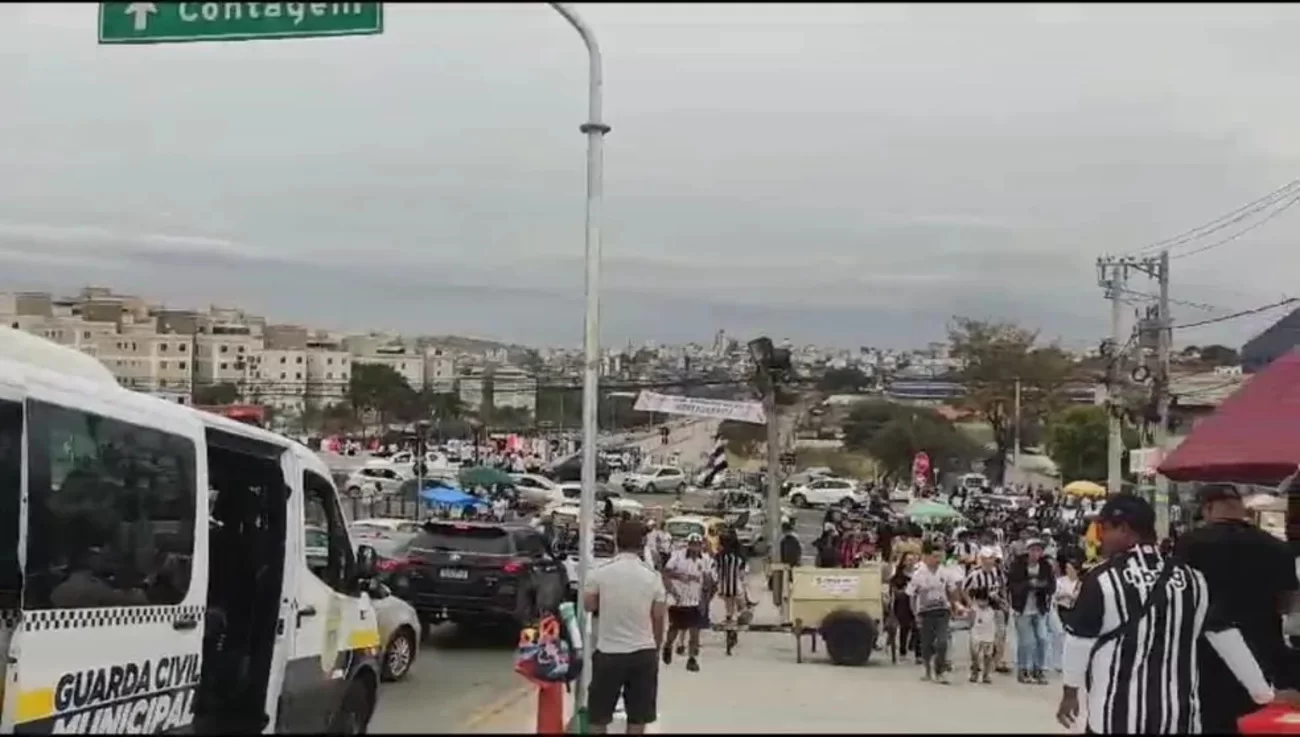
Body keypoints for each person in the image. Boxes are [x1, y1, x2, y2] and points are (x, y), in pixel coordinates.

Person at [1056, 494, 1300, 734]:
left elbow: (1079, 641)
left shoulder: (1102, 579)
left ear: (1124, 529)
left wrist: (1070, 692)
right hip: (1177, 717)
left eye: (1104, 530)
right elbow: (1226, 637)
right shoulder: (1192, 579)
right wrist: (1262, 691)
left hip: (1114, 716)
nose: (1101, 540)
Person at [1175, 483, 1300, 734]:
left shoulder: (1189, 544)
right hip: (1264, 655)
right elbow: (1288, 603)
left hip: (1206, 659)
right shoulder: (1275, 546)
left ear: (1208, 508)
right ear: (1240, 508)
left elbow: (1179, 597)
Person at [582, 520, 667, 736]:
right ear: (641, 545)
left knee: (598, 716)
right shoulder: (652, 576)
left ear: (616, 543)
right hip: (643, 653)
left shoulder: (600, 572)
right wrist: (656, 648)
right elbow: (658, 617)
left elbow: (588, 605)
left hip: (609, 652)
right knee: (638, 717)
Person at [906, 542, 961, 684]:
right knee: (927, 644)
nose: (937, 559)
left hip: (942, 610)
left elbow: (952, 590)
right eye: (934, 556)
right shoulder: (919, 574)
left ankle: (940, 670)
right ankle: (927, 670)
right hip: (925, 611)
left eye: (939, 556)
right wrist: (915, 614)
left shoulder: (945, 572)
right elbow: (912, 595)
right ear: (927, 557)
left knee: (942, 642)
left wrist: (956, 606)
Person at [662, 533, 712, 673]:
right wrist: (679, 577)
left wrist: (705, 600)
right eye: (692, 544)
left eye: (698, 545)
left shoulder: (705, 560)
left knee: (695, 631)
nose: (695, 548)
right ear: (688, 544)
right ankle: (668, 646)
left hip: (695, 600)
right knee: (675, 628)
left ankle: (692, 659)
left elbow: (707, 580)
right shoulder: (677, 556)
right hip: (679, 599)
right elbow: (666, 572)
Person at [1008, 537, 1055, 685]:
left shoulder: (1045, 566)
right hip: (1022, 608)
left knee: (1042, 639)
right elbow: (1012, 585)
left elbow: (1051, 586)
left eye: (1039, 550)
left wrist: (1041, 586)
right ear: (1028, 550)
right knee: (1027, 641)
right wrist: (1028, 584)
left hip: (1039, 608)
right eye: (1033, 549)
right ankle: (1023, 670)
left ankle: (1038, 669)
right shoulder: (1018, 565)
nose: (1036, 553)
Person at [963, 547, 1010, 676]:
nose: (991, 561)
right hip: (980, 607)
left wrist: (1004, 602)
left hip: (996, 606)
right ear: (982, 559)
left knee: (999, 634)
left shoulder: (998, 573)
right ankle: (976, 662)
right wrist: (971, 605)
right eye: (988, 558)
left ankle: (996, 662)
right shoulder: (975, 574)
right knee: (978, 637)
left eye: (992, 558)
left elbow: (1003, 587)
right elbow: (965, 590)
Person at [714, 529, 748, 655]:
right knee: (740, 609)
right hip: (736, 587)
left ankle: (730, 632)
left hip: (724, 588)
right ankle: (734, 631)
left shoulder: (719, 556)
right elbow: (743, 573)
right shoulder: (739, 556)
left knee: (729, 610)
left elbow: (715, 571)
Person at [1050, 558, 1081, 674]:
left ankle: (1069, 661)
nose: (1068, 570)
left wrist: (1071, 596)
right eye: (1067, 568)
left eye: (1071, 568)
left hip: (1073, 610)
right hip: (1061, 608)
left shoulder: (1080, 583)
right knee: (1059, 634)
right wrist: (1064, 595)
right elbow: (1055, 595)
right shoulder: (1061, 581)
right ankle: (1058, 661)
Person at [890, 552, 920, 665]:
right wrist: (903, 591)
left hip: (917, 602)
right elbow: (894, 589)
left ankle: (919, 654)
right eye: (908, 559)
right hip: (903, 603)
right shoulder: (899, 575)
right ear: (904, 561)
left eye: (913, 559)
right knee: (905, 627)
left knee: (918, 628)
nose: (910, 562)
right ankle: (903, 651)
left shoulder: (919, 574)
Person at [968, 587, 998, 684]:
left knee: (988, 656)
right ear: (976, 600)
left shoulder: (992, 611)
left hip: (988, 635)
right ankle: (974, 673)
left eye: (984, 601)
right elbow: (971, 622)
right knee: (975, 656)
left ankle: (986, 674)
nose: (982, 603)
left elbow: (995, 622)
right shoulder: (974, 609)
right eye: (980, 600)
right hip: (976, 634)